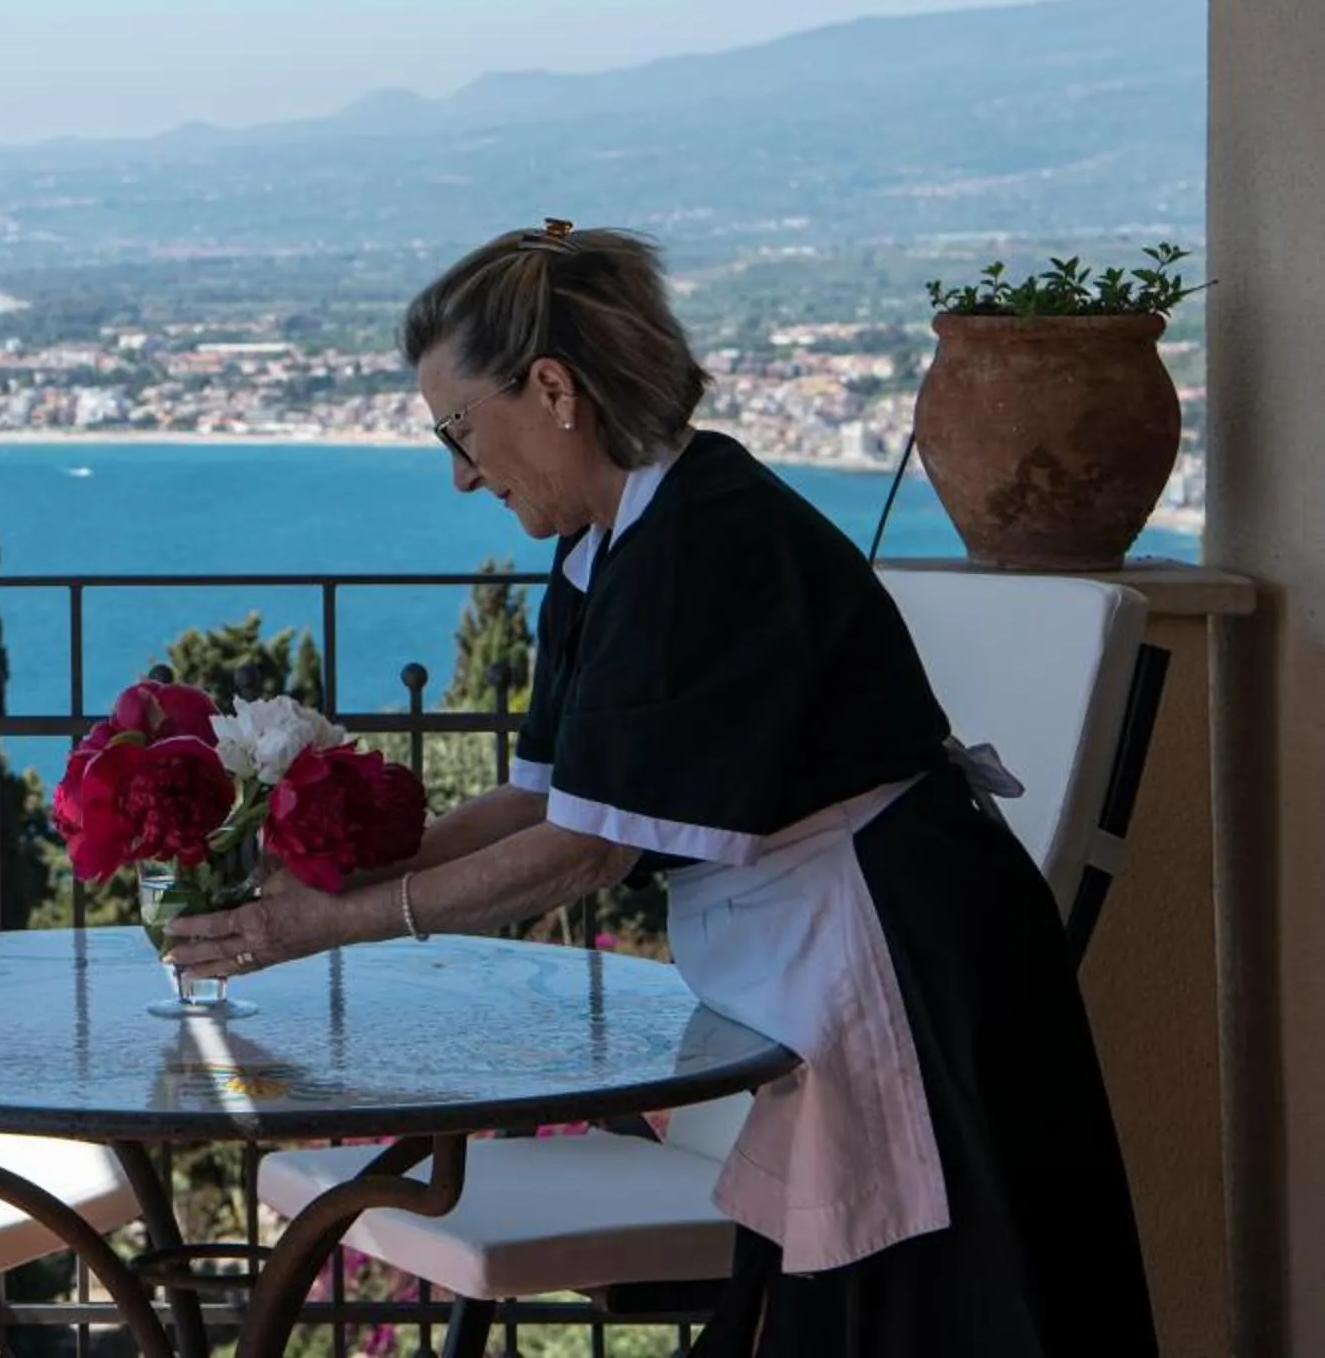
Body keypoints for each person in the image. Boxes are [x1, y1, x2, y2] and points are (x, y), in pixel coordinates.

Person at [164, 221, 1156, 1356]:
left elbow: (588, 851)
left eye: (459, 430)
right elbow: (544, 800)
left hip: (902, 966)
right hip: (831, 954)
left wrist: (335, 925)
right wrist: (349, 870)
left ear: (551, 388)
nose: (459, 471)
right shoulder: (604, 546)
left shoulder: (700, 542)